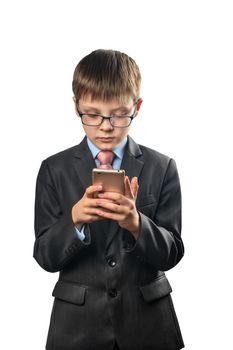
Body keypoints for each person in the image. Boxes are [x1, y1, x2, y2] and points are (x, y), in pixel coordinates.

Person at [33, 49, 185, 350]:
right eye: (92, 115)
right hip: (75, 329)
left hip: (149, 327)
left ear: (137, 107)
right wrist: (74, 219)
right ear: (76, 106)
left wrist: (137, 224)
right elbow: (44, 256)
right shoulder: (54, 169)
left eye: (118, 115)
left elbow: (173, 253)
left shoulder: (162, 166)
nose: (105, 126)